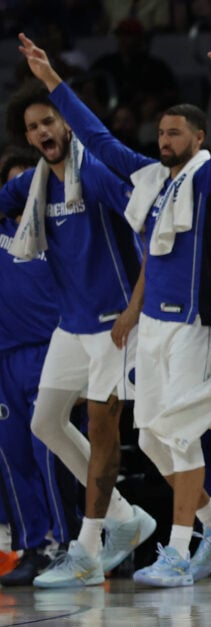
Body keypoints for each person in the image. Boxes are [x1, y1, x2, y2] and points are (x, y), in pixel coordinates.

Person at [19, 29, 211, 587]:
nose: (165, 138)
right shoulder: (151, 179)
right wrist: (52, 81)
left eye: (176, 132)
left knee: (176, 437)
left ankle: (176, 550)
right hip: (150, 328)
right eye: (162, 131)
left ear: (198, 137)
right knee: (148, 437)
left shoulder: (207, 179)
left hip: (191, 327)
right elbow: (95, 138)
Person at [0, 78, 154, 588]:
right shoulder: (35, 182)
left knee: (105, 435)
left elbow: (152, 234)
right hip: (71, 326)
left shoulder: (98, 174)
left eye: (48, 120)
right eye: (32, 127)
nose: (42, 131)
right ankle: (126, 517)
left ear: (65, 122)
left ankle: (87, 550)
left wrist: (135, 309)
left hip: (114, 325)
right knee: (45, 423)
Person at [0, 211, 68, 586]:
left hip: (51, 349)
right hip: (5, 357)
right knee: (14, 456)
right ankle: (31, 546)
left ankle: (70, 542)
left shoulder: (55, 231)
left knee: (52, 452)